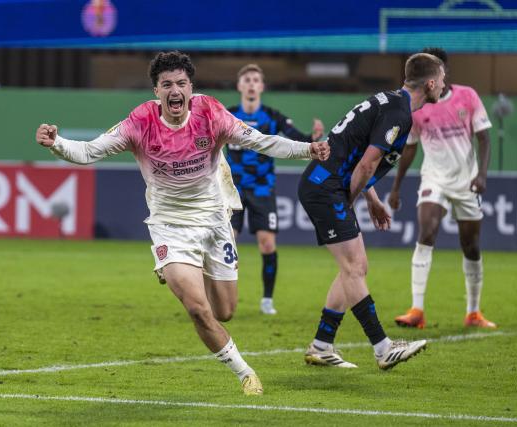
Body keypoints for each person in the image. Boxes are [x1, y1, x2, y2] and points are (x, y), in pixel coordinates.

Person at [34, 51, 330, 395]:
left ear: (191, 87)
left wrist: (307, 149)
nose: (175, 90)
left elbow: (261, 141)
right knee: (197, 309)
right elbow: (88, 152)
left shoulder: (211, 113)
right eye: (166, 85)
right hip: (170, 225)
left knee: (225, 310)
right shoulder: (140, 122)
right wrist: (57, 143)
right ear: (156, 91)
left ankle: (182, 267)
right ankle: (246, 373)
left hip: (214, 219)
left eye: (181, 83)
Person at [297, 52, 445, 370]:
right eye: (442, 79)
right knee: (354, 267)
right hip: (325, 186)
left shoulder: (391, 102)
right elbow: (366, 164)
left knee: (356, 266)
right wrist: (349, 200)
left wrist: (371, 197)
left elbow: (359, 155)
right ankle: (382, 348)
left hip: (327, 183)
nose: (443, 85)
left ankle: (322, 345)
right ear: (431, 82)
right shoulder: (400, 112)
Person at [390, 48, 496, 329]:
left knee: (471, 246)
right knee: (426, 232)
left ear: (444, 72)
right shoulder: (418, 106)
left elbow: (484, 138)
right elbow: (410, 149)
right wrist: (397, 187)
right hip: (434, 179)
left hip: (466, 182)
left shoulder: (468, 97)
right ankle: (416, 309)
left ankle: (473, 312)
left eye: (441, 70)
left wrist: (482, 175)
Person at [226, 63, 325, 315]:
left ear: (261, 87)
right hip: (231, 191)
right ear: (239, 86)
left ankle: (267, 299)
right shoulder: (227, 116)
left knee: (267, 244)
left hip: (262, 189)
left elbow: (297, 138)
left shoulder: (272, 116)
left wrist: (312, 138)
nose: (251, 83)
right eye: (246, 79)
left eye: (255, 80)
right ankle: (224, 297)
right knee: (227, 244)